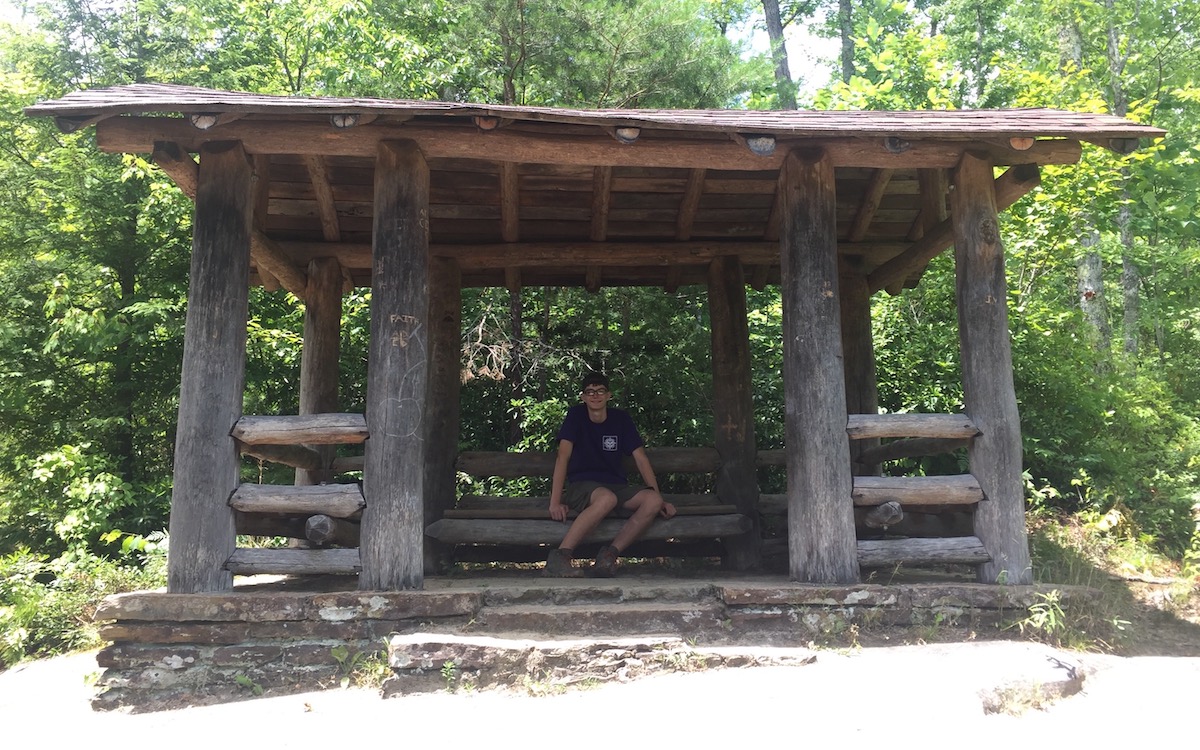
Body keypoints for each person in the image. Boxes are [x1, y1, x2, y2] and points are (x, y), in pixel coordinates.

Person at [544, 372, 676, 577]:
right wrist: (555, 502)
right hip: (582, 485)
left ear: (608, 395)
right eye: (590, 392)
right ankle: (560, 557)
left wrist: (660, 499)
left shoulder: (620, 419)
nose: (595, 396)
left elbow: (641, 458)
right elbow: (562, 458)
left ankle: (609, 556)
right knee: (607, 499)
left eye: (600, 391)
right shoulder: (575, 416)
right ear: (583, 397)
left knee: (652, 500)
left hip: (616, 485)